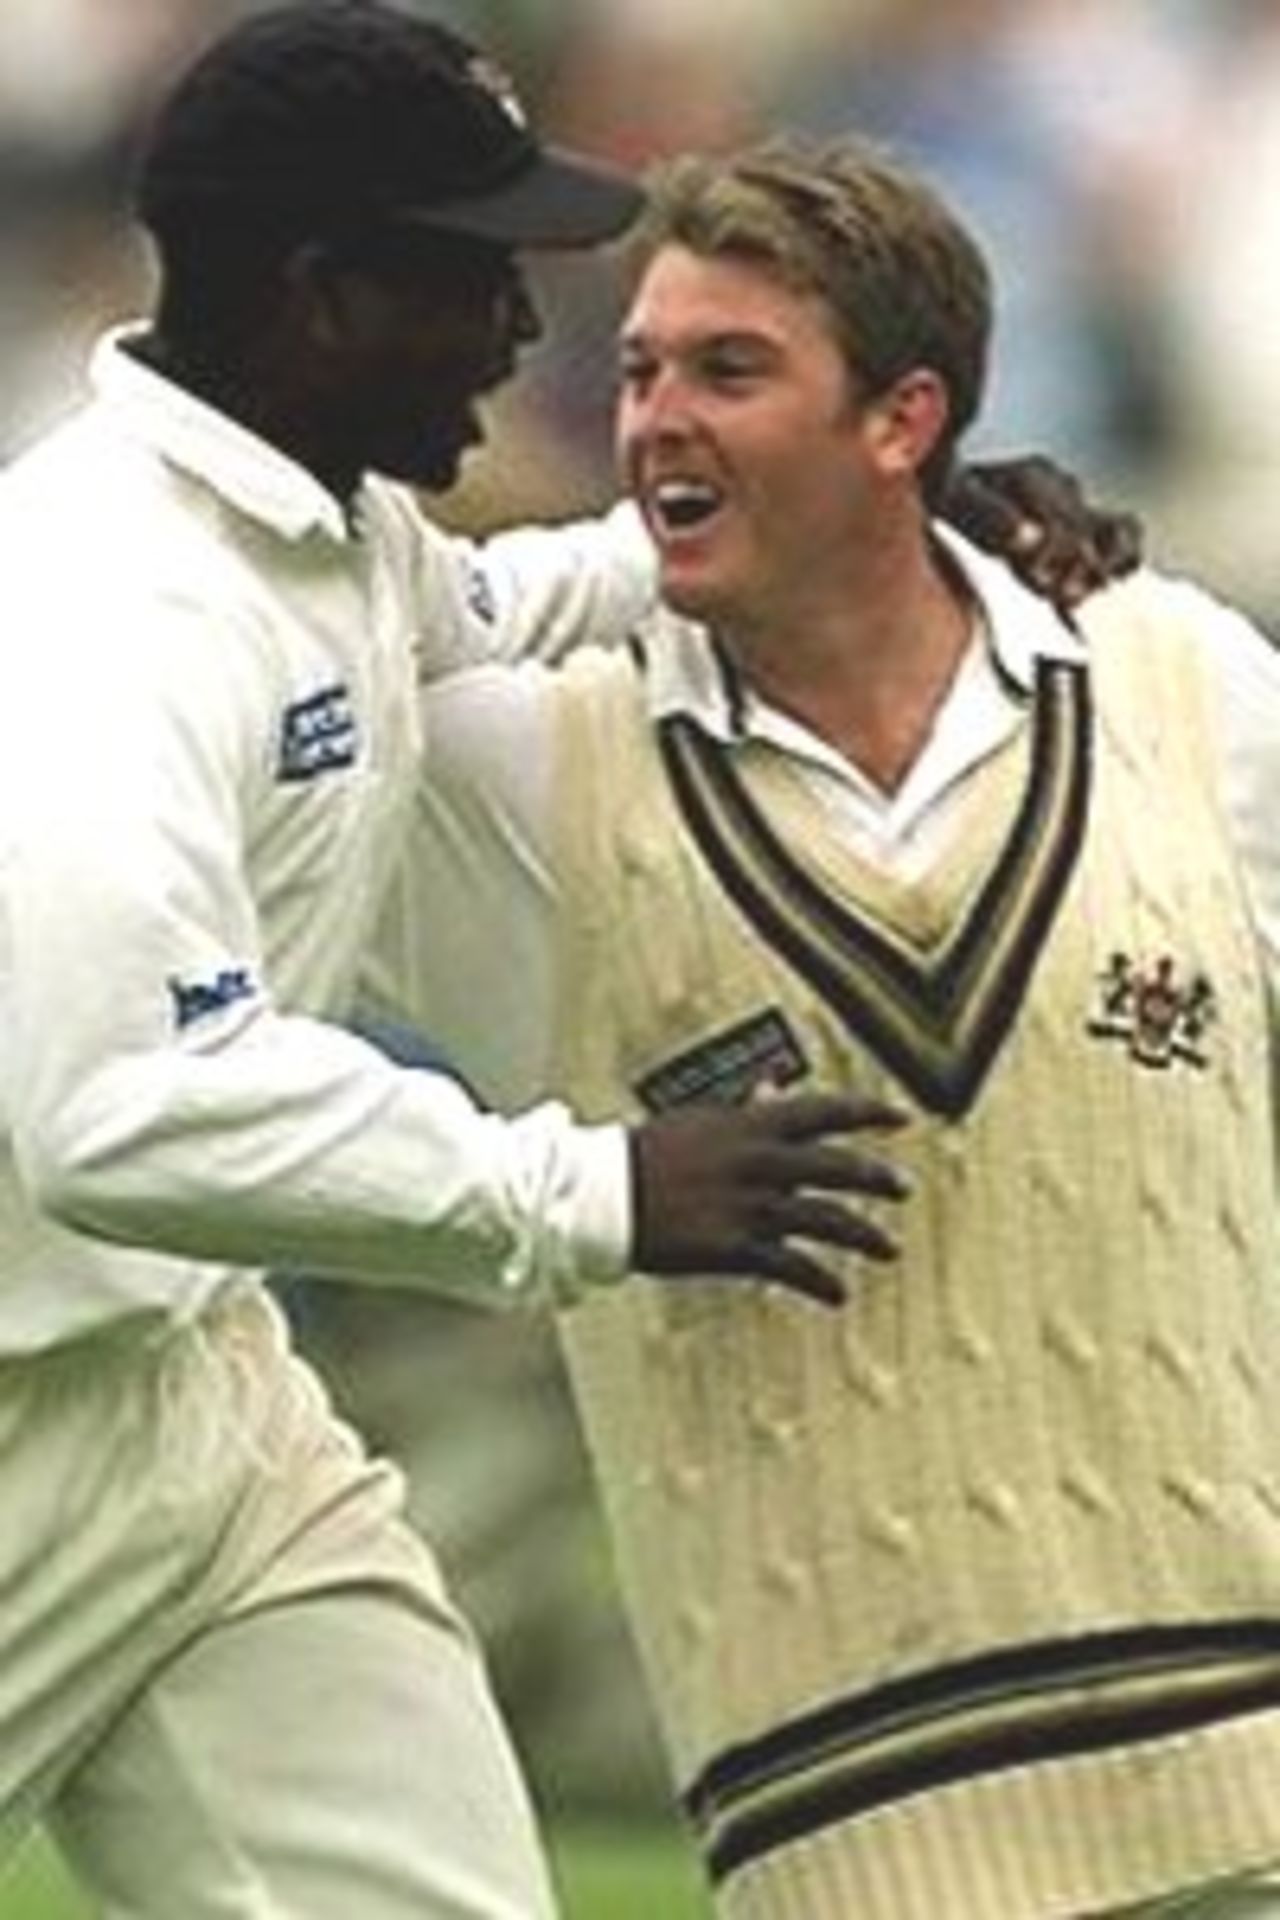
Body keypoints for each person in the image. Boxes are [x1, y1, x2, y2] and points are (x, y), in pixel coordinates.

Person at [0, 9, 935, 1915]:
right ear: (322, 294)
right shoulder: (108, 620)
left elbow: (496, 606)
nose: (520, 329)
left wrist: (849, 521)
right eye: (475, 275)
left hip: (198, 1398)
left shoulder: (322, 522)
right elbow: (121, 1113)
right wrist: (589, 1194)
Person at [389, 135, 1280, 1918]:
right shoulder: (517, 783)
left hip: (1250, 1764)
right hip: (854, 1827)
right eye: (640, 372)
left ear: (904, 418)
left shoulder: (1186, 682)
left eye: (730, 371)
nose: (657, 420)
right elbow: (273, 646)